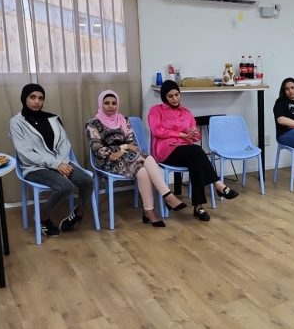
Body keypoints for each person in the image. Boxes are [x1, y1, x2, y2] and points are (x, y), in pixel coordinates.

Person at [86, 90, 186, 227]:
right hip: (108, 161)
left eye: (114, 103)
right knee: (145, 158)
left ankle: (149, 211)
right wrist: (124, 147)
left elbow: (133, 144)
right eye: (106, 103)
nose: (111, 106)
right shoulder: (92, 124)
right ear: (100, 104)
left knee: (143, 170)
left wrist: (124, 149)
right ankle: (167, 196)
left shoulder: (123, 120)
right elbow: (98, 150)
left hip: (128, 157)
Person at [10, 84, 94, 237]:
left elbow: (64, 143)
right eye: (32, 97)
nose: (37, 101)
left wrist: (61, 163)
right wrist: (56, 165)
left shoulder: (53, 118)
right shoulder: (16, 122)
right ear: (24, 98)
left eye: (40, 98)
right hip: (35, 167)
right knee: (65, 187)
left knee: (87, 181)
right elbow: (25, 153)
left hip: (61, 162)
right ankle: (42, 217)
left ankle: (79, 213)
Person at [148, 80, 239, 221]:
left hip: (186, 151)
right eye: (170, 96)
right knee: (196, 151)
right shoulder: (156, 110)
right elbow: (157, 130)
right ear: (164, 97)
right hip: (166, 151)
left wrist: (193, 134)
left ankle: (199, 207)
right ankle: (218, 184)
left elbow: (196, 136)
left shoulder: (187, 113)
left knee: (196, 162)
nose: (174, 98)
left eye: (177, 95)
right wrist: (181, 135)